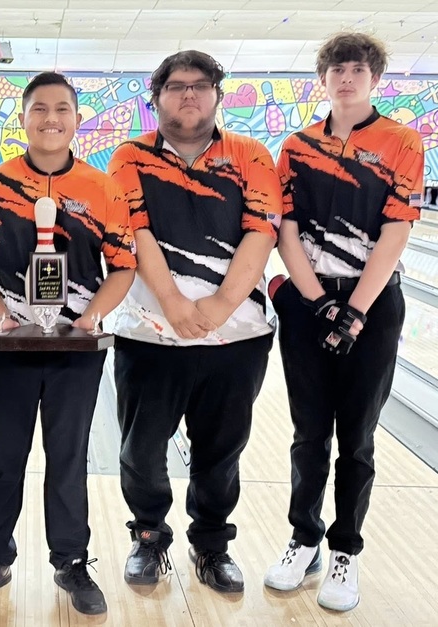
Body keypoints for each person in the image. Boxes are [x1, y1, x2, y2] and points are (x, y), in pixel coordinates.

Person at [0, 72, 136, 616]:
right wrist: (0, 315)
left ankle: (71, 561)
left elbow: (121, 268)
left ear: (77, 120)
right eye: (40, 109)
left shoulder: (103, 190)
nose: (51, 118)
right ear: (24, 118)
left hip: (75, 352)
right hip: (7, 348)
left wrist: (91, 319)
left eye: (62, 109)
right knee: (5, 457)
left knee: (68, 456)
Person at [107, 50, 281, 594]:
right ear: (156, 96)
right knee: (141, 448)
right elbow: (135, 232)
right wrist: (175, 304)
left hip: (238, 336)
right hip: (149, 331)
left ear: (217, 96)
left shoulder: (251, 154)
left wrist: (220, 305)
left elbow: (262, 231)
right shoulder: (129, 156)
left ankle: (211, 544)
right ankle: (149, 537)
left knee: (221, 449)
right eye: (177, 86)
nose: (189, 94)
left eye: (201, 85)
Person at [263, 33, 423, 612]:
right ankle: (302, 538)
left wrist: (356, 308)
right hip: (311, 306)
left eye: (358, 69)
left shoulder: (401, 141)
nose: (347, 77)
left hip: (374, 306)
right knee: (309, 434)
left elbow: (397, 228)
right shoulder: (296, 145)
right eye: (337, 68)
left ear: (374, 78)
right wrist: (318, 303)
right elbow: (285, 228)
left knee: (356, 438)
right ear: (323, 79)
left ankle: (344, 550)